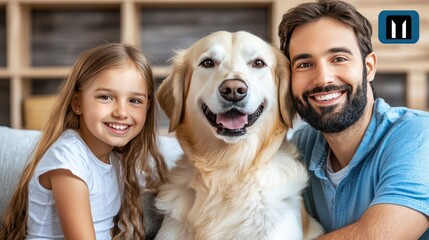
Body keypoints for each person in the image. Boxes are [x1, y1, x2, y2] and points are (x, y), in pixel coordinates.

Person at [278, 0, 429, 239]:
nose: (323, 78)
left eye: (338, 58)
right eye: (305, 64)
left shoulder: (419, 135)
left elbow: (375, 237)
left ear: (368, 67)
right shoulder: (300, 146)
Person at [0, 43, 169, 239]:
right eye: (105, 97)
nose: (122, 112)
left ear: (147, 107)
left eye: (134, 101)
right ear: (78, 103)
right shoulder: (68, 159)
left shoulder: (116, 159)